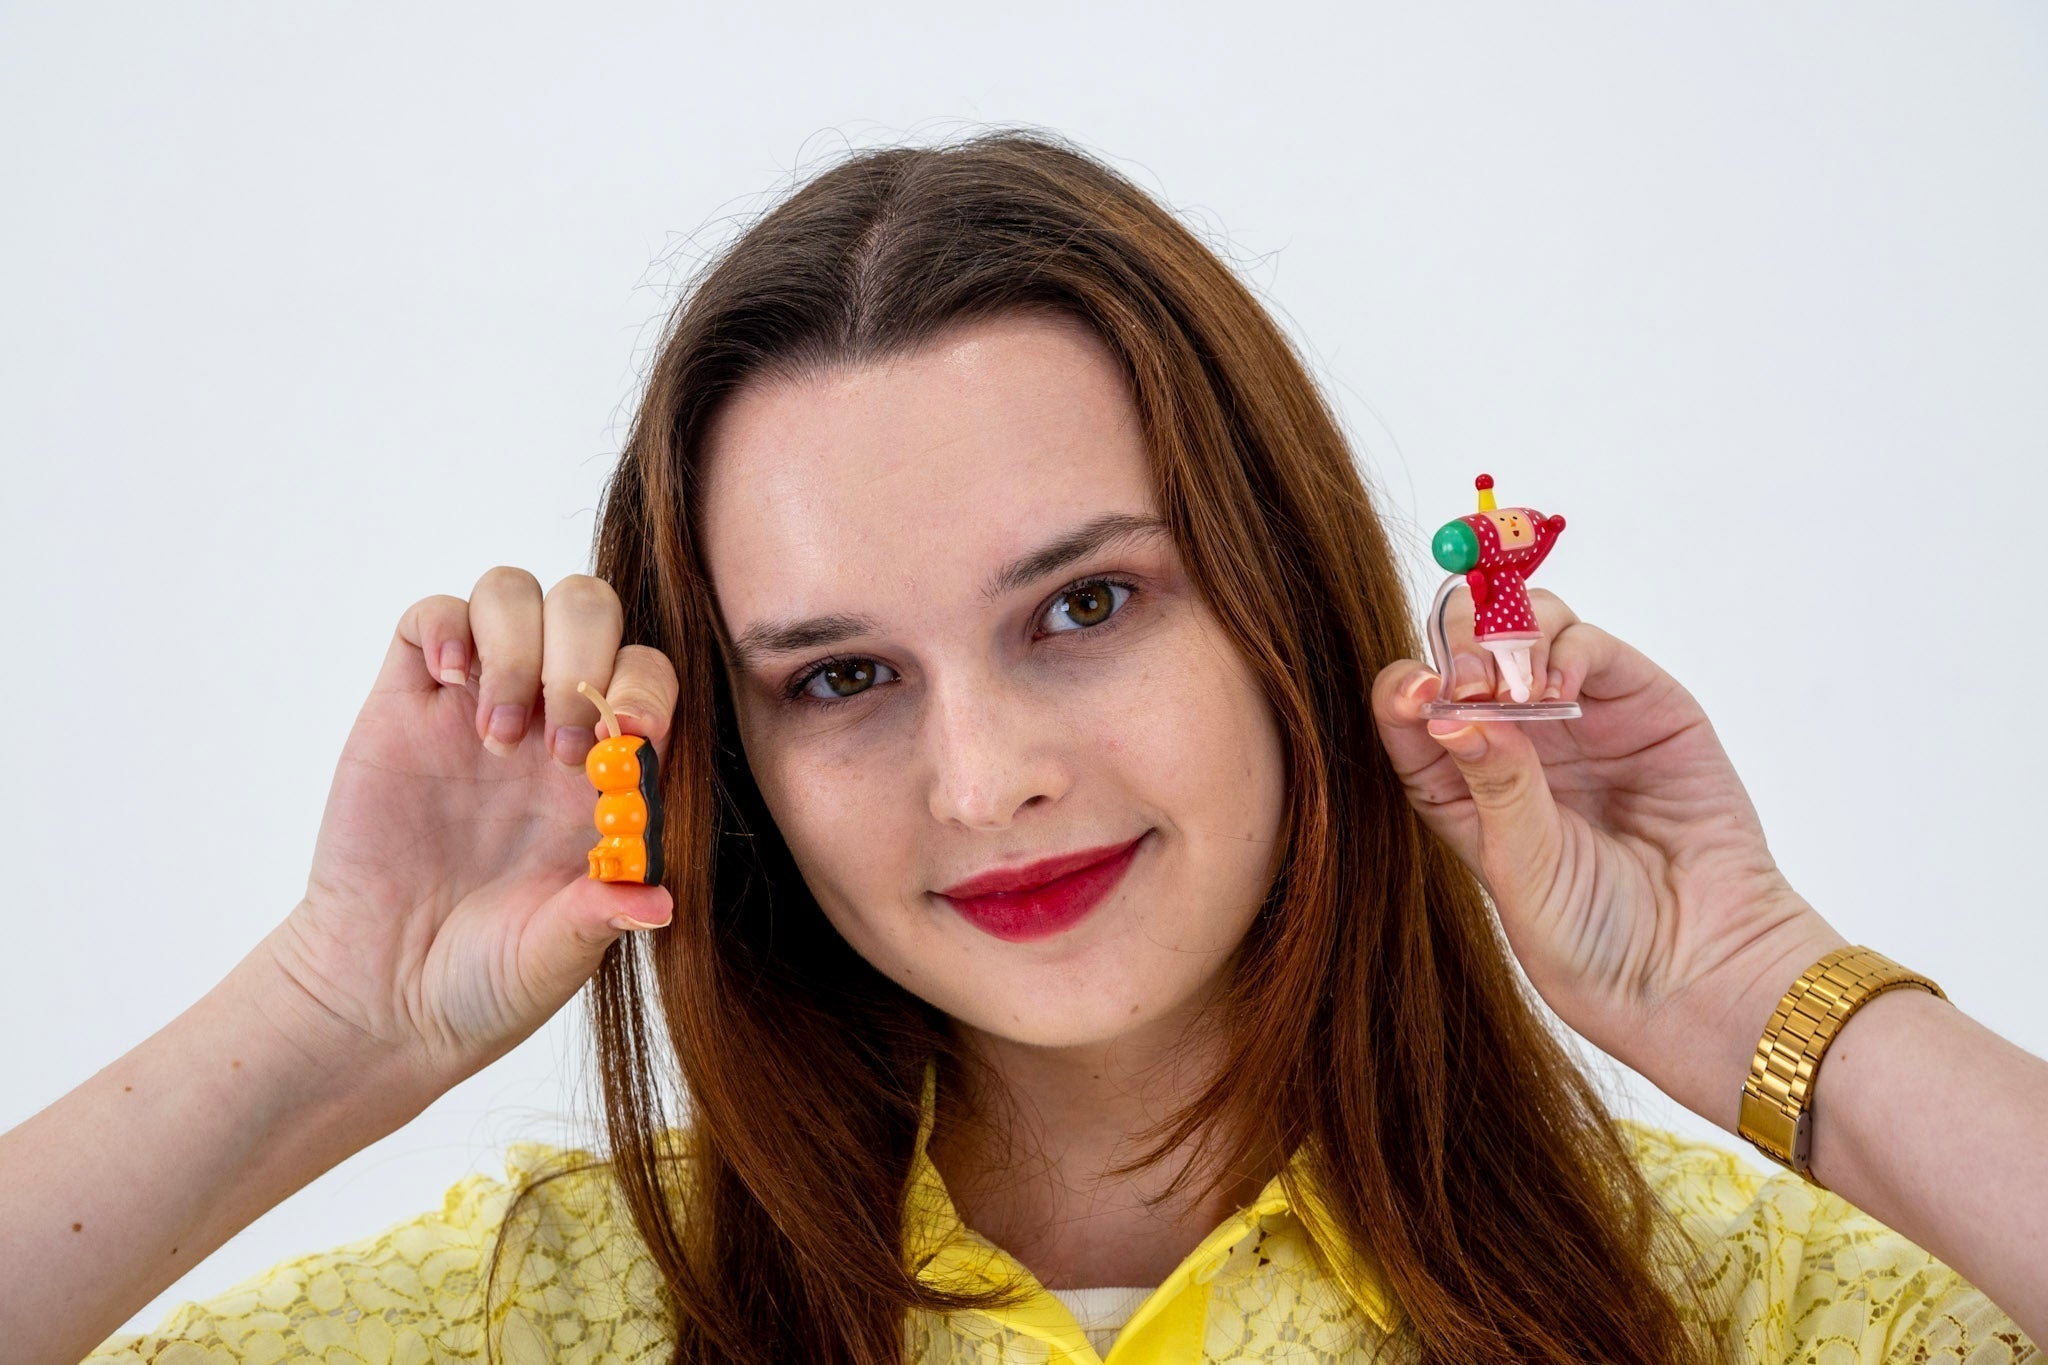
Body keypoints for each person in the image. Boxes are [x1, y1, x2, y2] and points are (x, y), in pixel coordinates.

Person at [6, 129, 2042, 1365]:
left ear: (1280, 601)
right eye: (838, 678)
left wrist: (1762, 988)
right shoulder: (542, 1316)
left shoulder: (1730, 1303)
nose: (981, 781)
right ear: (736, 759)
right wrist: (329, 1007)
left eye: (1083, 604)